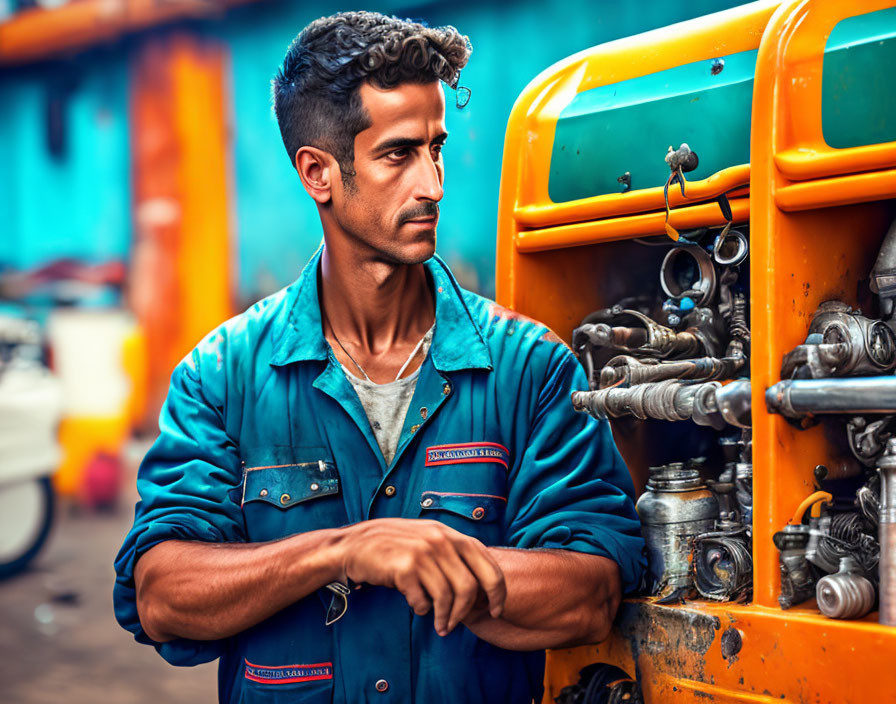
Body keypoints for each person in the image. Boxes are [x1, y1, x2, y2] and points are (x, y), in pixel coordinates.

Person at [113, 11, 645, 704]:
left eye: (437, 148)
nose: (433, 185)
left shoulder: (529, 370)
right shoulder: (223, 377)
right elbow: (162, 596)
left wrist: (436, 569)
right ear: (318, 173)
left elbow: (592, 592)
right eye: (398, 155)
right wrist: (345, 551)